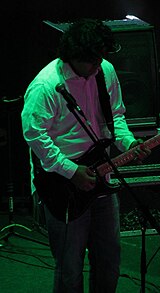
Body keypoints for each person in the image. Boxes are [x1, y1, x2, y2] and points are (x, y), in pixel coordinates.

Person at [21, 18, 150, 293]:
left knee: (109, 260)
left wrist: (127, 144)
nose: (96, 67)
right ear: (73, 55)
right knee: (69, 267)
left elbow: (115, 115)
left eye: (99, 59)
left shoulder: (104, 70)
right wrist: (71, 171)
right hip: (62, 183)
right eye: (90, 61)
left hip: (101, 174)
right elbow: (34, 135)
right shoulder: (46, 85)